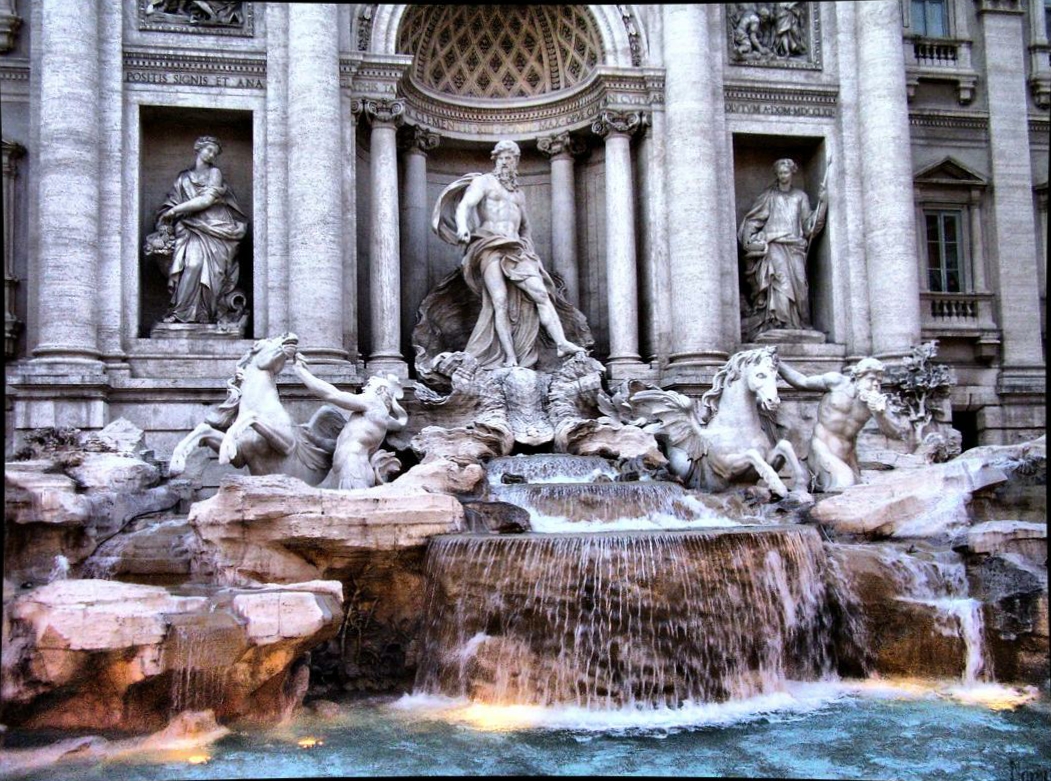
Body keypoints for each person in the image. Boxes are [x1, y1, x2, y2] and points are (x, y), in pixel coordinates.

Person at [431, 140, 587, 370]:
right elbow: (465, 205)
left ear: (516, 162)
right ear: (495, 160)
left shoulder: (518, 194)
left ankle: (562, 343)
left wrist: (529, 251)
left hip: (516, 249)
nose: (505, 162)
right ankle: (509, 356)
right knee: (500, 301)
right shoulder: (484, 182)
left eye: (510, 158)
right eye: (502, 158)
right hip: (489, 245)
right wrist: (463, 227)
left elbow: (525, 227)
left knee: (541, 294)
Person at [153, 135, 247, 325]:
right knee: (192, 265)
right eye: (209, 150)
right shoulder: (183, 178)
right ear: (199, 148)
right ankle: (181, 313)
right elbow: (170, 203)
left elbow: (206, 200)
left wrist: (174, 211)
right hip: (190, 228)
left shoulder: (215, 173)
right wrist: (169, 213)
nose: (211, 155)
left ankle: (206, 315)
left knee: (212, 274)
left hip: (216, 227)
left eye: (215, 153)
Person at [777, 357, 908, 491]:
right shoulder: (836, 382)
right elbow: (802, 382)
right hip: (822, 448)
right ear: (858, 377)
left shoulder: (876, 402)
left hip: (848, 457)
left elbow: (895, 433)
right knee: (845, 484)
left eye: (879, 381)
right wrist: (778, 364)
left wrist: (881, 414)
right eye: (871, 379)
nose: (875, 385)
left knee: (859, 492)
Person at [737, 158, 827, 338]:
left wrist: (823, 204)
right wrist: (750, 240)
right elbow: (753, 221)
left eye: (785, 172)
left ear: (792, 173)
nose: (783, 176)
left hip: (795, 248)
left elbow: (809, 227)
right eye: (779, 173)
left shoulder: (800, 197)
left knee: (800, 286)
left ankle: (798, 324)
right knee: (781, 284)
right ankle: (780, 323)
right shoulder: (769, 197)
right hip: (774, 245)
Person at [291, 353, 409, 490]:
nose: (364, 388)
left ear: (381, 390)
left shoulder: (373, 402)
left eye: (369, 385)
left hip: (352, 468)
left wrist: (302, 373)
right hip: (344, 469)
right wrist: (315, 439)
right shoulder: (376, 417)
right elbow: (343, 443)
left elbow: (332, 394)